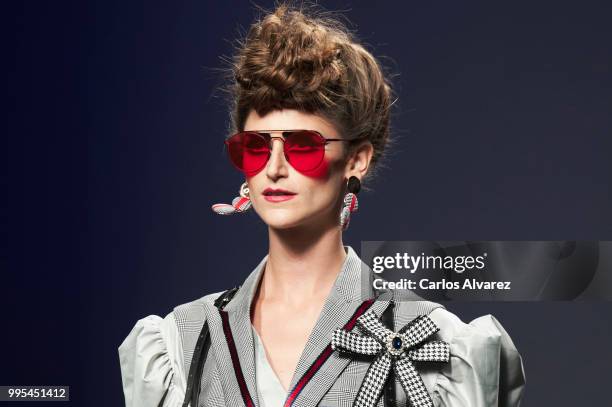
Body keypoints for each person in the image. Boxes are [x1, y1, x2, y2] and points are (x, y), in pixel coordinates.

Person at [118, 2, 526, 406]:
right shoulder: (182, 342)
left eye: (302, 146)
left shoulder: (437, 343)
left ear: (356, 159)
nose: (274, 168)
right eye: (255, 148)